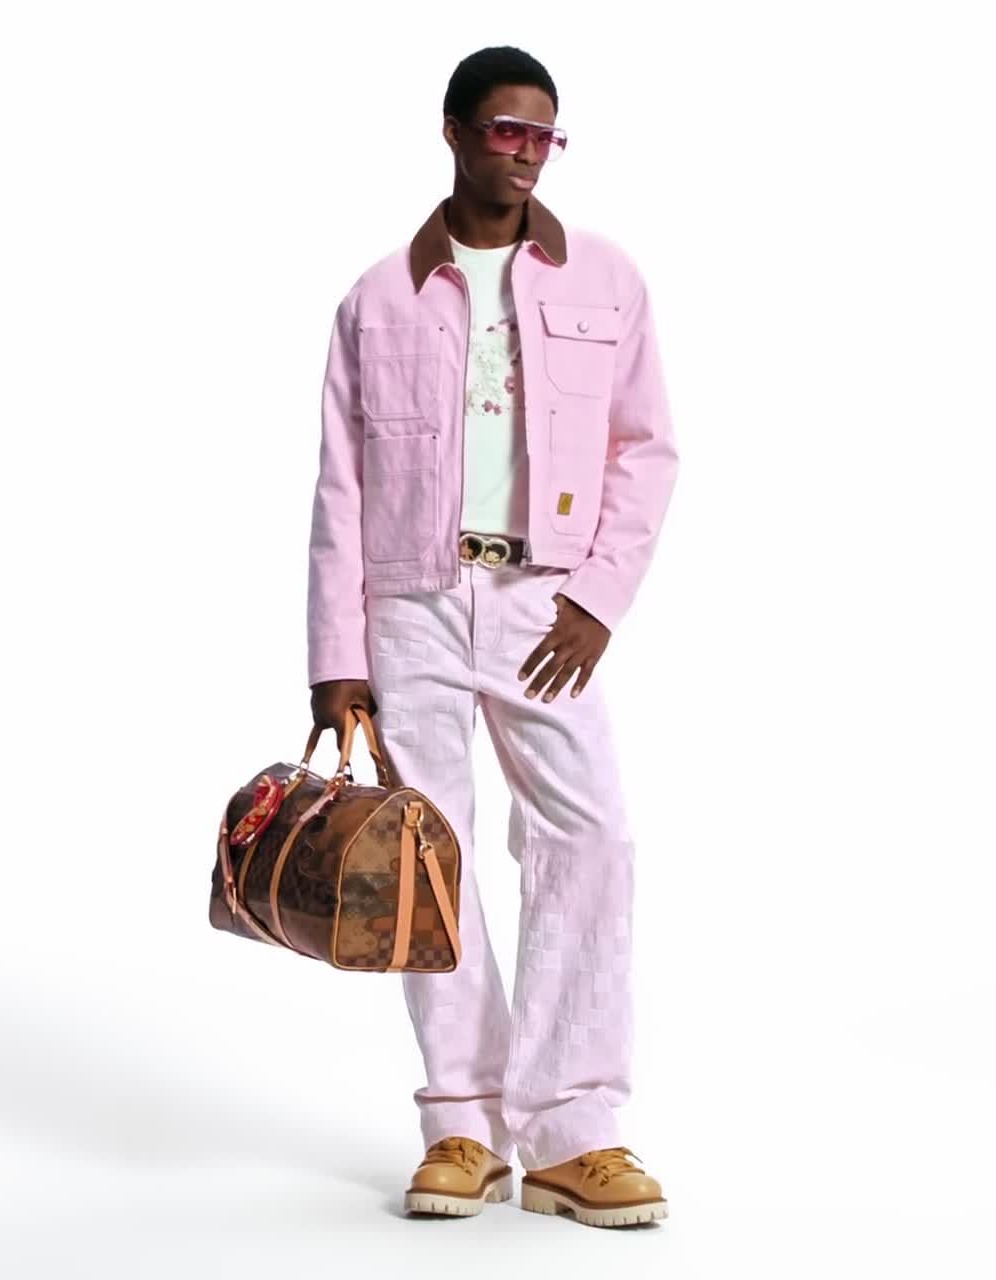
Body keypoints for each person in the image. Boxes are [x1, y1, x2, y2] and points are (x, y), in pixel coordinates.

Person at [305, 45, 679, 1229]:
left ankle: (574, 1129)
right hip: (409, 603)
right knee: (428, 858)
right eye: (505, 130)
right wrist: (336, 658)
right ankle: (461, 1122)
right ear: (456, 132)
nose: (525, 153)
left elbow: (645, 447)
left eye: (542, 135)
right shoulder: (376, 298)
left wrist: (597, 601)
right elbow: (340, 488)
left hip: (542, 604)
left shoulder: (604, 278)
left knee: (590, 835)